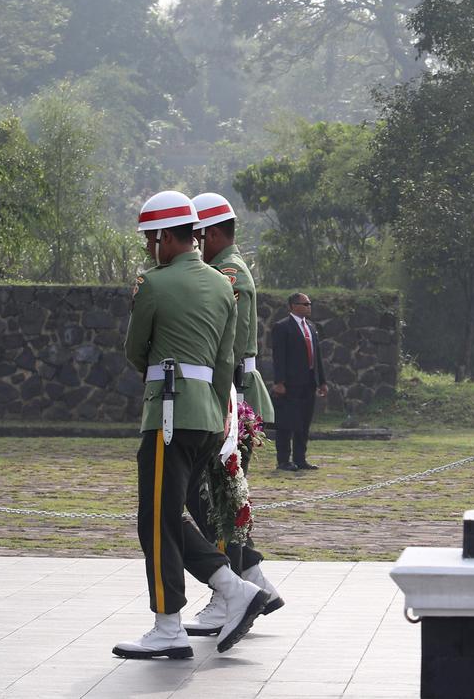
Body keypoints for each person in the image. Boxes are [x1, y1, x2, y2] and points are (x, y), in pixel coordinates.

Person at [113, 190, 269, 660]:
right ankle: (230, 585)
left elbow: (136, 351)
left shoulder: (153, 285)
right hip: (207, 416)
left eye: (149, 239)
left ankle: (169, 622)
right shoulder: (223, 285)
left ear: (163, 237)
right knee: (167, 516)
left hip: (168, 416)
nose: (147, 248)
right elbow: (226, 361)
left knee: (157, 520)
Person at [182, 192, 285, 638]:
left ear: (215, 233)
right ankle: (253, 579)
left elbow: (224, 345)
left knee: (212, 501)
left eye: (199, 235)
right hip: (231, 395)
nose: (196, 244)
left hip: (230, 397)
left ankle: (231, 592)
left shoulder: (228, 274)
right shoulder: (231, 268)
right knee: (221, 501)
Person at [271, 292, 327, 471]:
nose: (309, 307)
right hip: (289, 384)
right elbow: (278, 356)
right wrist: (279, 381)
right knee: (286, 423)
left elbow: (317, 356)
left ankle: (300, 458)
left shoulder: (310, 327)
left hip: (308, 382)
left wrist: (322, 381)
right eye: (305, 304)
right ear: (294, 306)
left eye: (310, 304)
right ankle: (283, 460)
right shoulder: (282, 327)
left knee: (304, 423)